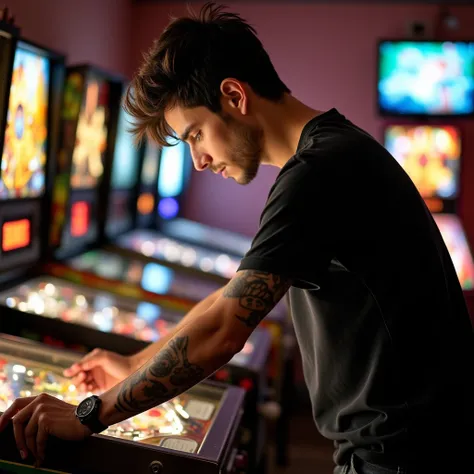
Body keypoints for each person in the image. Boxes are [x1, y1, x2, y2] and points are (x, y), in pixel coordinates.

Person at [1, 2, 473, 473]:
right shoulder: (333, 150)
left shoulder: (318, 172)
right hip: (413, 445)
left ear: (234, 95)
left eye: (195, 135)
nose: (199, 161)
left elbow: (226, 328)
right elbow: (231, 299)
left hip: (402, 457)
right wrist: (135, 363)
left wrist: (90, 414)